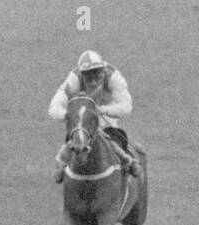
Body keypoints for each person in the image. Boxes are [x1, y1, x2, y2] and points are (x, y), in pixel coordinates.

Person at [48, 50, 139, 182]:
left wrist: (103, 110)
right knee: (76, 138)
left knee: (111, 138)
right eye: (88, 77)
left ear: (103, 71)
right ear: (82, 74)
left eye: (97, 75)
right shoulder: (74, 79)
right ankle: (61, 165)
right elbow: (54, 108)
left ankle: (127, 162)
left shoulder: (113, 77)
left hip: (107, 120)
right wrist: (72, 117)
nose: (93, 82)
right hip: (84, 122)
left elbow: (126, 106)